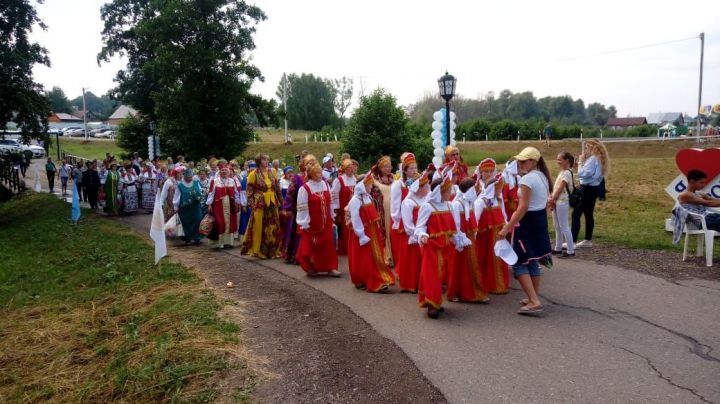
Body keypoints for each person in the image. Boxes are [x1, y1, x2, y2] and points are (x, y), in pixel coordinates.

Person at [498, 147, 553, 316]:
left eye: (524, 161)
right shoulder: (542, 176)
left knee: (519, 261)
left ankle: (534, 301)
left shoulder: (527, 179)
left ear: (534, 162)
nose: (520, 164)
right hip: (539, 220)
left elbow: (522, 207)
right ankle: (533, 297)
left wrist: (507, 227)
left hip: (527, 222)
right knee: (533, 259)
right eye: (519, 161)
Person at [414, 171, 466, 319]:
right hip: (431, 247)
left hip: (446, 247)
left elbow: (453, 227)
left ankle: (436, 301)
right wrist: (423, 235)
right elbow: (419, 227)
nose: (450, 194)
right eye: (447, 191)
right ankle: (431, 305)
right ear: (440, 192)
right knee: (431, 275)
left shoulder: (449, 205)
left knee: (440, 276)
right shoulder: (427, 206)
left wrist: (459, 240)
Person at [347, 172, 395, 292]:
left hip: (372, 231)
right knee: (364, 257)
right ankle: (368, 280)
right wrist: (361, 235)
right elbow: (355, 218)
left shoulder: (367, 197)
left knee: (374, 256)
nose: (371, 188)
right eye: (369, 185)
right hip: (362, 233)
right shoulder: (356, 200)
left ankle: (377, 277)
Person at [448, 178, 489, 303]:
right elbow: (455, 225)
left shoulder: (470, 203)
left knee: (471, 264)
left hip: (470, 238)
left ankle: (473, 292)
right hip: (461, 240)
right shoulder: (457, 204)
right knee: (458, 265)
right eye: (473, 189)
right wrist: (460, 240)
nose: (476, 191)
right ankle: (455, 292)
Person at [296, 160, 340, 277]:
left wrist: (332, 214)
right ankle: (311, 266)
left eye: (321, 173)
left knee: (328, 244)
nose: (320, 176)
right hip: (312, 223)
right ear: (311, 175)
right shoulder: (305, 188)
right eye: (317, 174)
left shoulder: (325, 184)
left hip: (326, 222)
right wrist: (304, 223)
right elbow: (302, 207)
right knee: (313, 245)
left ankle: (330, 267)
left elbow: (330, 201)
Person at [474, 158, 510, 294]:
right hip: (484, 231)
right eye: (485, 171)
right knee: (483, 256)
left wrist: (506, 223)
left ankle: (497, 284)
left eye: (491, 171)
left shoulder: (496, 186)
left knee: (497, 255)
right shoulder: (476, 186)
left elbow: (501, 207)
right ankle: (484, 282)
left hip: (497, 228)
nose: (488, 174)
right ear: (481, 172)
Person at [241, 154, 282, 259]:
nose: (266, 161)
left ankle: (273, 251)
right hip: (260, 203)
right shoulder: (253, 174)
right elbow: (249, 192)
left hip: (272, 202)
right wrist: (252, 204)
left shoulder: (272, 171)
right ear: (259, 162)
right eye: (264, 160)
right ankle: (259, 251)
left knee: (273, 226)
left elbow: (277, 187)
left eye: (267, 159)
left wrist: (281, 201)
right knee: (260, 227)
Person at [572, 139, 610, 248]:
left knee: (576, 214)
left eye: (587, 147)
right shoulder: (599, 159)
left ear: (593, 148)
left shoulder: (593, 159)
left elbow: (583, 174)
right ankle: (588, 240)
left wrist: (579, 162)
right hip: (593, 189)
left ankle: (572, 241)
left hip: (586, 189)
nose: (585, 150)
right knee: (588, 214)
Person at [399, 170, 430, 293]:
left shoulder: (425, 201)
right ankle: (411, 284)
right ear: (419, 188)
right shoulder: (408, 202)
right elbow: (408, 223)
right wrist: (415, 235)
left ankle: (422, 283)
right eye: (426, 186)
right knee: (413, 262)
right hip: (413, 237)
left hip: (423, 235)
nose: (428, 188)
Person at [390, 153, 418, 273]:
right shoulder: (398, 184)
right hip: (402, 219)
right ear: (405, 171)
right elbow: (395, 204)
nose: (414, 170)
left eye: (415, 168)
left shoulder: (417, 181)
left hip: (414, 218)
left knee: (415, 251)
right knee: (405, 250)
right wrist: (396, 221)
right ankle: (404, 273)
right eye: (411, 168)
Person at [206, 163, 240, 249]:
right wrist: (209, 204)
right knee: (219, 222)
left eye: (226, 170)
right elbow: (211, 193)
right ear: (219, 172)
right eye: (222, 170)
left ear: (229, 172)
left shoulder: (232, 181)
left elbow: (236, 193)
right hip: (218, 205)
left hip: (230, 205)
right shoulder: (215, 181)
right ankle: (218, 243)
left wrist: (237, 202)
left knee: (229, 223)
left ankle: (228, 242)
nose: (224, 172)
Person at [549, 152, 576, 258]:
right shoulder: (562, 172)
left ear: (567, 161)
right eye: (557, 159)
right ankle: (558, 248)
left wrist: (552, 199)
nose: (558, 161)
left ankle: (570, 250)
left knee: (564, 226)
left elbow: (560, 188)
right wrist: (552, 199)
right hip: (556, 201)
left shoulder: (567, 173)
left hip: (562, 202)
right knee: (557, 226)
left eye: (560, 159)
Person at [369, 156, 395, 266]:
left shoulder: (394, 178)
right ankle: (386, 256)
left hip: (393, 209)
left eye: (390, 166)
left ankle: (394, 256)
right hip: (381, 211)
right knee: (384, 231)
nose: (389, 168)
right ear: (380, 167)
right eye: (386, 166)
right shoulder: (374, 178)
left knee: (392, 231)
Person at [331, 159, 357, 256]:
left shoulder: (355, 179)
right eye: (349, 167)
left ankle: (353, 247)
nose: (352, 169)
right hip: (343, 209)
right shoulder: (339, 180)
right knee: (345, 229)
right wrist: (336, 211)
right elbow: (334, 195)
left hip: (354, 209)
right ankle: (345, 249)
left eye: (352, 167)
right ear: (345, 169)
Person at [174, 168, 204, 245]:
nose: (190, 178)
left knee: (198, 219)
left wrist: (198, 194)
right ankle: (187, 237)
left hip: (195, 206)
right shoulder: (180, 185)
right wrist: (176, 207)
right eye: (188, 177)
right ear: (184, 177)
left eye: (191, 177)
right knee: (186, 222)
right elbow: (176, 196)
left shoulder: (196, 182)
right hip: (185, 208)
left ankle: (197, 237)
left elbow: (200, 191)